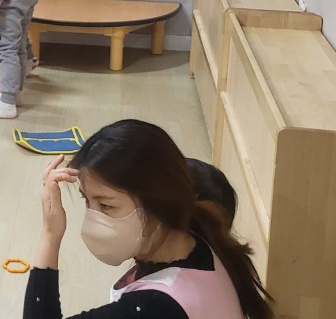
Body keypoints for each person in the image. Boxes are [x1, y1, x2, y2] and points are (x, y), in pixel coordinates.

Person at [27, 119, 273, 319]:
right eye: (86, 201)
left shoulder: (153, 307)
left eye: (106, 205)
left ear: (158, 205)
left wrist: (50, 235)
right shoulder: (196, 238)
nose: (93, 218)